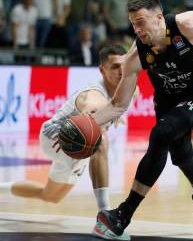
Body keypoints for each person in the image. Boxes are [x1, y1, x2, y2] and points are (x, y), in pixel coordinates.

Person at [86, 0, 193, 240]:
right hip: (168, 105)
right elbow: (117, 105)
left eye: (141, 21)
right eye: (132, 23)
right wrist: (82, 123)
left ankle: (123, 215)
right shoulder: (136, 56)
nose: (136, 29)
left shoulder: (187, 24)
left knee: (161, 133)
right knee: (181, 154)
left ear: (159, 18)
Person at [0, 45, 131, 240]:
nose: (120, 71)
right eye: (114, 67)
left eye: (123, 65)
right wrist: (92, 114)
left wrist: (116, 117)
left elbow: (115, 108)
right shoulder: (94, 94)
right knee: (101, 141)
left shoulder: (130, 89)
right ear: (102, 69)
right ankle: (106, 217)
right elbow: (91, 104)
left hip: (77, 144)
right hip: (54, 136)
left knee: (51, 196)